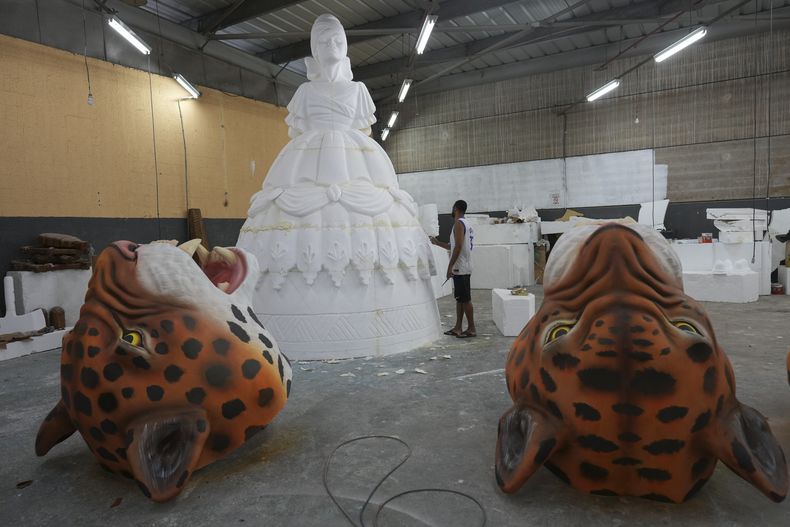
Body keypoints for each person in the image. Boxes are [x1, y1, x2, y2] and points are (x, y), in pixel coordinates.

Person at [430, 200, 476, 338]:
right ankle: (458, 327)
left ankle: (472, 328)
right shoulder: (466, 224)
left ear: (455, 208)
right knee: (460, 298)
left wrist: (450, 266)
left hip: (460, 267)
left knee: (465, 299)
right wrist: (438, 243)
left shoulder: (459, 224)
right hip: (464, 265)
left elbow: (458, 246)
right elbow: (453, 245)